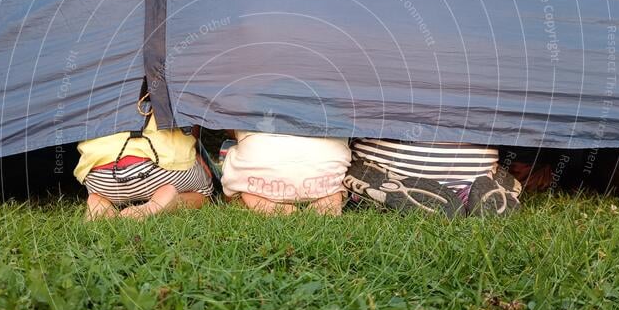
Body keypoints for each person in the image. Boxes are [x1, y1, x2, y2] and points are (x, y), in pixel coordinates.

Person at [74, 114, 213, 220]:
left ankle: (99, 201)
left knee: (101, 192)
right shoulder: (170, 81)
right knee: (204, 193)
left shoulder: (94, 87)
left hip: (101, 177)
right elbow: (189, 120)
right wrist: (193, 150)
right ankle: (161, 204)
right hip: (159, 167)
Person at [344, 139, 521, 217]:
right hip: (476, 163)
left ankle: (386, 184)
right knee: (483, 173)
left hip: (393, 161)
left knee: (353, 169)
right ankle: (471, 192)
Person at [221, 131, 351, 215]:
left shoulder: (249, 96)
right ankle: (330, 198)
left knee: (238, 151)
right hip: (323, 177)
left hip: (260, 178)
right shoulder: (337, 94)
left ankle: (256, 199)